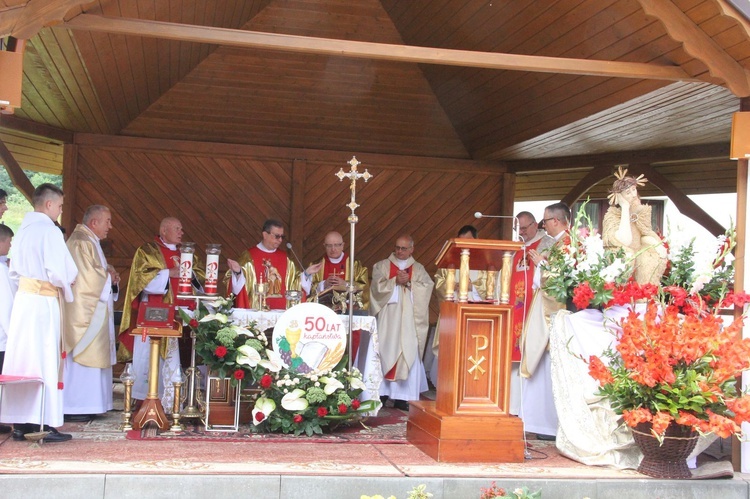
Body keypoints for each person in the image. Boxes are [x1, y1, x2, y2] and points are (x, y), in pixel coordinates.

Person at [0, 183, 78, 443]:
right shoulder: (49, 231)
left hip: (24, 301)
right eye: (59, 206)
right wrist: (69, 281)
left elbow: (13, 270)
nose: (60, 210)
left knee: (23, 360)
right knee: (44, 359)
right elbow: (60, 271)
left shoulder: (22, 230)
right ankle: (42, 422)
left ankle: (21, 422)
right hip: (43, 303)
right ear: (48, 205)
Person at [119, 217, 204, 409]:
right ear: (164, 230)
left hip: (185, 311)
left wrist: (191, 275)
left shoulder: (188, 254)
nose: (181, 232)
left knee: (186, 355)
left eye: (181, 229)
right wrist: (169, 273)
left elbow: (201, 281)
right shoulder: (147, 251)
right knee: (151, 358)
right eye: (177, 228)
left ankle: (180, 401)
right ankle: (148, 401)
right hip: (156, 314)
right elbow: (140, 281)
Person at [62, 205, 119, 423]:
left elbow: (98, 271)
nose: (110, 226)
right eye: (107, 221)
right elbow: (87, 278)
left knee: (95, 353)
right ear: (94, 223)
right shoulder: (80, 242)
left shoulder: (90, 241)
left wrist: (109, 273)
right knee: (84, 354)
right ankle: (76, 404)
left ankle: (94, 403)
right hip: (85, 312)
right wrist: (107, 277)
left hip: (96, 308)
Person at [519, 202, 570, 440]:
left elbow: (563, 281)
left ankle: (547, 423)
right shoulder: (557, 244)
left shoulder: (568, 244)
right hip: (542, 304)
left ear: (557, 221)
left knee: (549, 360)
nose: (543, 225)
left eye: (545, 221)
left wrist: (541, 263)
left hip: (554, 311)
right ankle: (538, 420)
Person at [370, 235, 434, 411]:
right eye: (397, 247)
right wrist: (394, 282)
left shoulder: (419, 269)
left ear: (412, 249)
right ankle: (381, 393)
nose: (399, 251)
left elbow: (427, 287)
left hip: (409, 321)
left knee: (408, 352)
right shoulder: (382, 265)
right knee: (384, 350)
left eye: (404, 248)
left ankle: (402, 397)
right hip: (388, 319)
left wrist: (411, 283)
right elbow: (376, 287)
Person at [430, 225, 486, 385]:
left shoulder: (484, 259)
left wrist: (472, 288)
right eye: (461, 241)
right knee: (451, 352)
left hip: (474, 315)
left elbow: (490, 286)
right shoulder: (450, 259)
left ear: (476, 239)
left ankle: (472, 384)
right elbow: (440, 282)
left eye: (468, 241)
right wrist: (451, 285)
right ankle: (447, 384)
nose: (465, 245)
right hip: (453, 312)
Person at [508, 212, 549, 415]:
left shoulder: (546, 243)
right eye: (519, 229)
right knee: (513, 355)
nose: (521, 232)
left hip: (532, 307)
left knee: (530, 352)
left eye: (524, 228)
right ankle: (513, 405)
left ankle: (529, 410)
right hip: (514, 308)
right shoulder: (516, 247)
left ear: (535, 225)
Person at [602, 167, 667, 285]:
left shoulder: (641, 212)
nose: (633, 195)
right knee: (627, 257)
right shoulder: (612, 215)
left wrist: (656, 245)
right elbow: (624, 241)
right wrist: (625, 208)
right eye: (628, 193)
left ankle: (645, 294)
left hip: (639, 254)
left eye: (633, 190)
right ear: (619, 197)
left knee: (649, 259)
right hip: (623, 256)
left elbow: (645, 233)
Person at [227, 219, 300, 310]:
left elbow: (297, 282)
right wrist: (238, 273)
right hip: (254, 314)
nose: (280, 240)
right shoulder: (248, 257)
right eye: (277, 236)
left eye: (282, 237)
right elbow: (238, 289)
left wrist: (307, 275)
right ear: (265, 235)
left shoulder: (286, 258)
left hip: (281, 313)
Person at [300, 231, 369, 312]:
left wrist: (345, 284)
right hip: (323, 312)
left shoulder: (355, 265)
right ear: (324, 246)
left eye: (336, 245)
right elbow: (307, 291)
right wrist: (324, 284)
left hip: (348, 311)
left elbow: (364, 289)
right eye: (329, 246)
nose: (333, 249)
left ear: (343, 245)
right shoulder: (316, 266)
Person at [0, 223, 15, 434]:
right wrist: (13, 334)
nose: (10, 246)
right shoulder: (2, 271)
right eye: (9, 242)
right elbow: (6, 305)